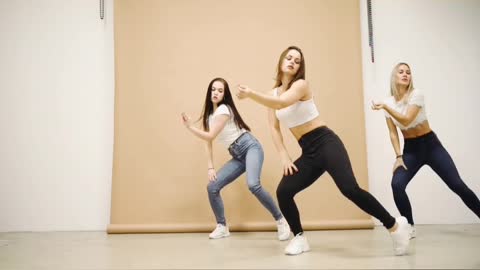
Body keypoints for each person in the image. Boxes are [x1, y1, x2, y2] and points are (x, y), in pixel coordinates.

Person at [236, 46, 411, 256]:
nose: (292, 62)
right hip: (308, 152)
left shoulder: (301, 85)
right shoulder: (270, 94)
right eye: (289, 58)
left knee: (349, 189)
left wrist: (250, 94)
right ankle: (299, 238)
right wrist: (284, 155)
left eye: (297, 60)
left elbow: (282, 102)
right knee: (284, 191)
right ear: (281, 61)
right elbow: (274, 126)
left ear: (300, 67)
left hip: (326, 143)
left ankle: (394, 227)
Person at [371, 62, 480, 238]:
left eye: (408, 72)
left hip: (431, 146)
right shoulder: (388, 102)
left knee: (457, 185)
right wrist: (398, 156)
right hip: (411, 149)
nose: (405, 74)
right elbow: (393, 132)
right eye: (401, 72)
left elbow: (406, 120)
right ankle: (409, 227)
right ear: (394, 77)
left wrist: (385, 107)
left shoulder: (416, 95)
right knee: (397, 184)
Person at [181, 77, 290, 240]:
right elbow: (208, 141)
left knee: (253, 184)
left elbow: (210, 135)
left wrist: (189, 127)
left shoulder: (224, 109)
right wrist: (210, 167)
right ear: (209, 92)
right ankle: (222, 226)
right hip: (237, 154)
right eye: (213, 89)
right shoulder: (210, 115)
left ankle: (281, 221)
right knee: (212, 187)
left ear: (224, 95)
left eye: (220, 90)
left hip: (250, 147)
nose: (215, 93)